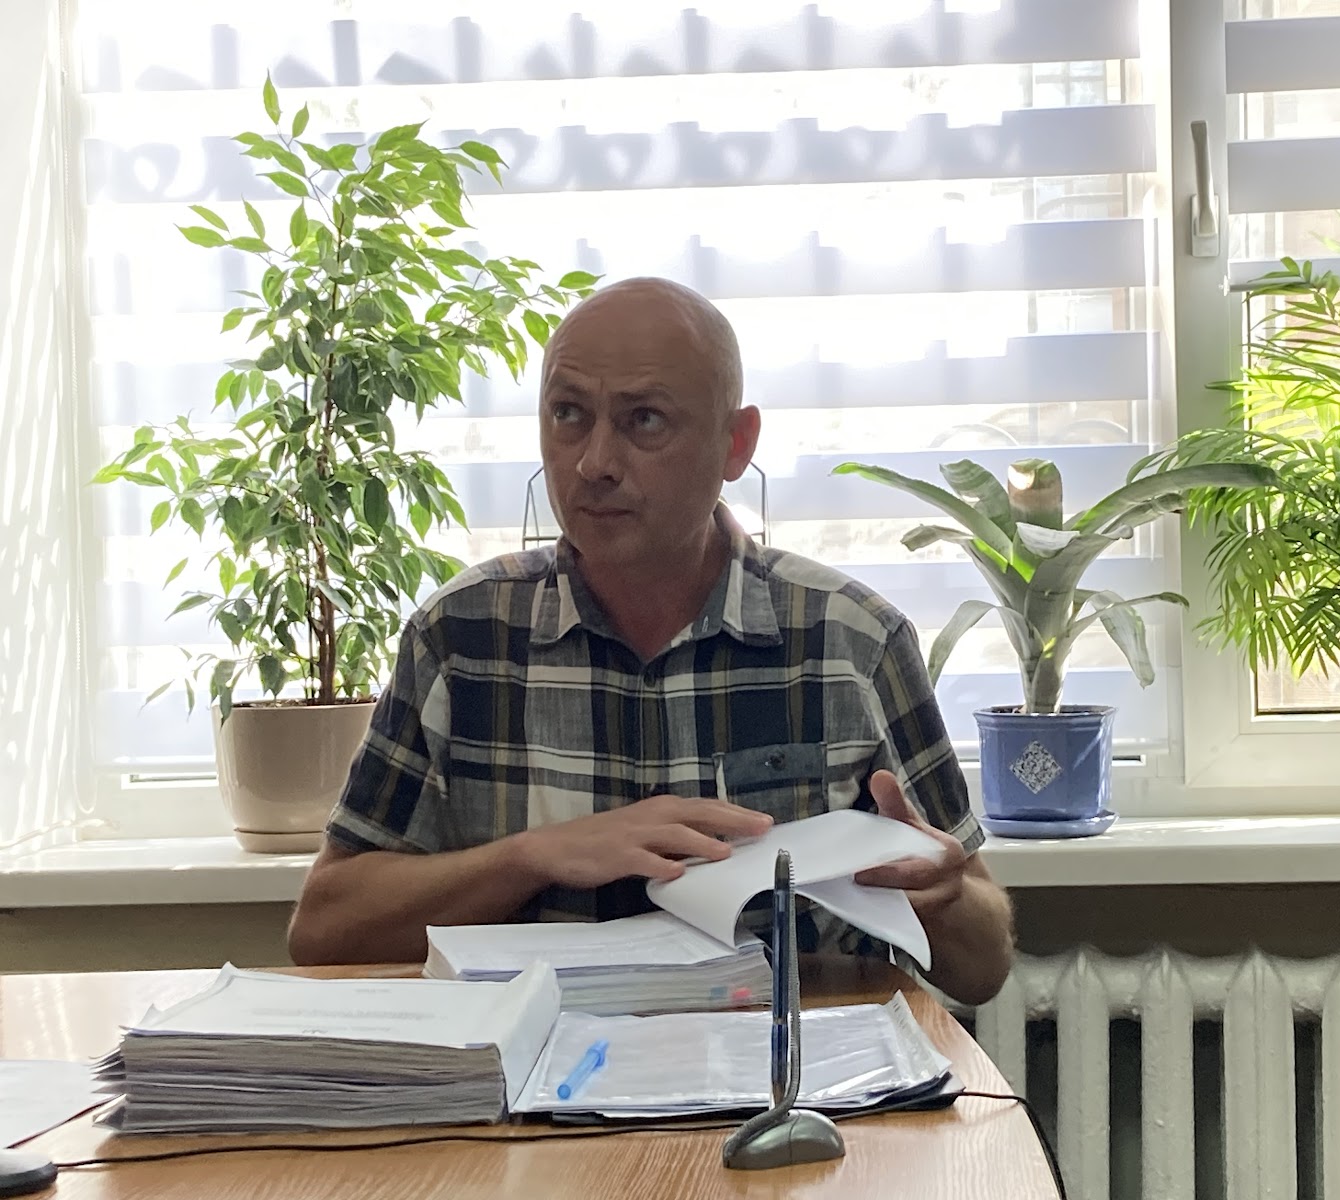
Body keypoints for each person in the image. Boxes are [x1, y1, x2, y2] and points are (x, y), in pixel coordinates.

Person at [287, 277, 1014, 1006]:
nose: (594, 462)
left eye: (645, 421)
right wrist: (533, 857)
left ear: (736, 444)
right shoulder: (460, 638)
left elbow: (982, 968)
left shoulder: (851, 641)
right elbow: (324, 930)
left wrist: (944, 897)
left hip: (784, 1064)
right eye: (568, 415)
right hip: (534, 1068)